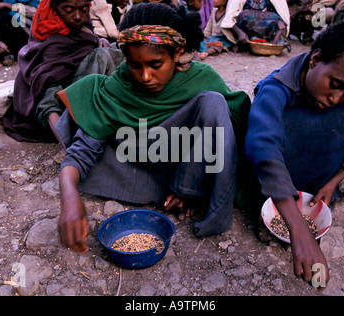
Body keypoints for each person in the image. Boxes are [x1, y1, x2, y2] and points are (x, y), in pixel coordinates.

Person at [55, 2, 251, 252]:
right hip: (138, 162)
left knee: (214, 104)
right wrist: (69, 194)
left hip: (187, 161)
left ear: (178, 53)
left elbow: (227, 133)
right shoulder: (120, 85)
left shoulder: (201, 78)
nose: (145, 77)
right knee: (96, 144)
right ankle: (173, 194)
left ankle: (190, 194)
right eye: (134, 65)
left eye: (155, 65)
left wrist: (189, 185)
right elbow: (83, 149)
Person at [244, 19, 344, 284]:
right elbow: (263, 147)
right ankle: (278, 206)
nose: (337, 97)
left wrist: (334, 181)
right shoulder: (275, 89)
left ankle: (312, 195)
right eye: (335, 84)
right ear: (315, 59)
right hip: (269, 183)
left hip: (311, 191)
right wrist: (300, 230)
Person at [2, 0, 123, 144]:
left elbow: (89, 37)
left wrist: (99, 39)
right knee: (102, 55)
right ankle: (81, 127)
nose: (78, 16)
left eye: (83, 9)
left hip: (79, 90)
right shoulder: (51, 41)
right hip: (55, 107)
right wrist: (71, 148)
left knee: (116, 50)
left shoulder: (81, 28)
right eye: (68, 9)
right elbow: (48, 101)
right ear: (54, 8)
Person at [221, 0, 290, 46]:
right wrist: (239, 33)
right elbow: (229, 19)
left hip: (268, 37)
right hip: (245, 36)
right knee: (245, 15)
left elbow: (281, 20)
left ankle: (264, 40)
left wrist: (275, 41)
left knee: (274, 17)